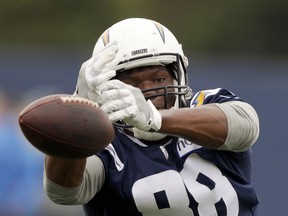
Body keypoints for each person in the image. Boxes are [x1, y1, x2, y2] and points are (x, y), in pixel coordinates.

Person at [43, 18, 260, 215]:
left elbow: (246, 126)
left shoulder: (207, 104)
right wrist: (78, 116)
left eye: (158, 79)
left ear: (178, 75)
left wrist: (155, 119)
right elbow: (64, 192)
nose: (146, 94)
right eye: (131, 83)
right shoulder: (105, 144)